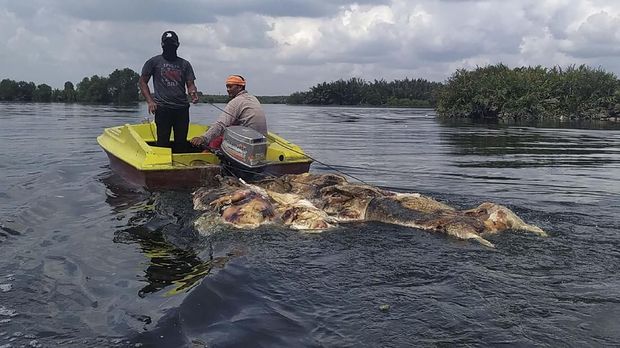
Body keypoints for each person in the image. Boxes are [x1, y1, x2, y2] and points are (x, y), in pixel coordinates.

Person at [139, 30, 198, 152]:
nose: (169, 47)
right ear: (162, 45)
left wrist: (193, 93)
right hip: (162, 108)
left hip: (181, 108)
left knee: (181, 142)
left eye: (172, 44)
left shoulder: (185, 64)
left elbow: (191, 84)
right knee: (162, 142)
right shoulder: (153, 62)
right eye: (167, 44)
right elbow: (142, 82)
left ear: (177, 45)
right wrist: (150, 101)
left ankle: (181, 166)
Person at [190, 75, 267, 150]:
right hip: (261, 142)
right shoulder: (253, 98)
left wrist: (203, 138)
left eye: (230, 86)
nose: (228, 89)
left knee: (214, 141)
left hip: (246, 144)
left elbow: (221, 124)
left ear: (240, 87)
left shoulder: (236, 101)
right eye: (227, 87)